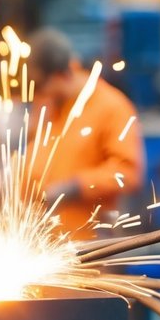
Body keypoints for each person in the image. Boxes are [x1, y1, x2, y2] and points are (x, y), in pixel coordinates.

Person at [26, 27, 145, 241]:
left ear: (63, 74)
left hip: (91, 244)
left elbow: (128, 173)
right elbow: (35, 156)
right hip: (45, 241)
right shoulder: (48, 105)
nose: (42, 96)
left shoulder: (113, 108)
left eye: (44, 87)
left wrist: (75, 187)